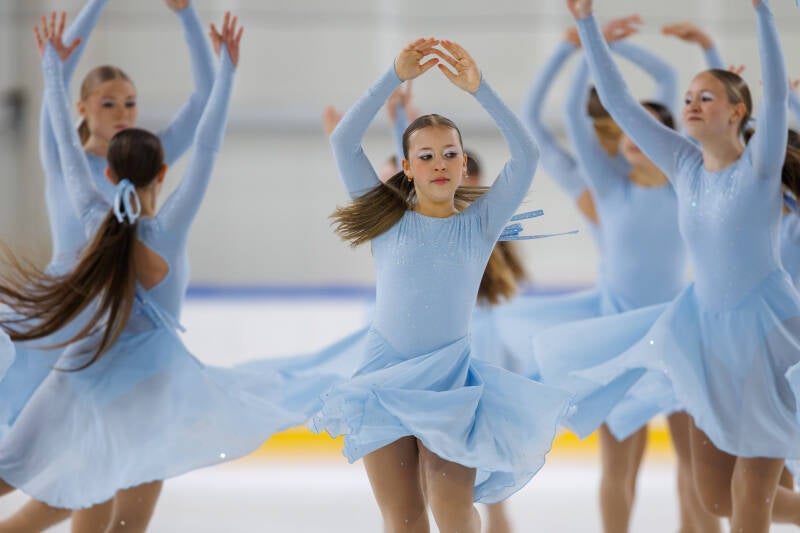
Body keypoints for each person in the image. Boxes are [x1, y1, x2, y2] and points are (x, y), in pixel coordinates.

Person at [550, 1, 800, 530]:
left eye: (705, 97)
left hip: (767, 332)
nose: (690, 104)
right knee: (716, 500)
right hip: (703, 338)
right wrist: (587, 25)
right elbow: (618, 102)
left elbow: (776, 95)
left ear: (736, 112)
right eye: (686, 97)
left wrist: (763, 12)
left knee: (753, 492)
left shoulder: (759, 166)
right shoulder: (682, 164)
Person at [311, 38, 572, 532]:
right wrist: (391, 74)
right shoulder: (386, 218)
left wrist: (481, 90)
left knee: (453, 513)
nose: (438, 163)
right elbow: (344, 141)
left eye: (449, 154)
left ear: (460, 164)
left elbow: (527, 152)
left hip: (449, 385)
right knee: (405, 521)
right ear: (407, 168)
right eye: (426, 156)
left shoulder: (480, 222)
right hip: (383, 380)